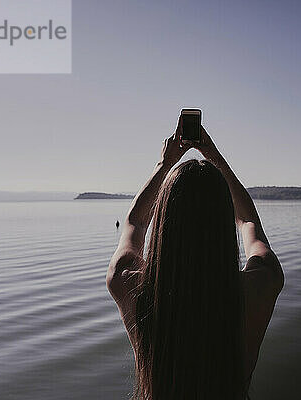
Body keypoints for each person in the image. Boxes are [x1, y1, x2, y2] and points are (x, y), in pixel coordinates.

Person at [106, 118, 284, 399]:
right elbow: (248, 220)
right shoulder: (259, 287)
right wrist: (213, 156)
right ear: (223, 222)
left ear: (165, 222)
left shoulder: (131, 287)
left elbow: (135, 224)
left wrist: (164, 164)